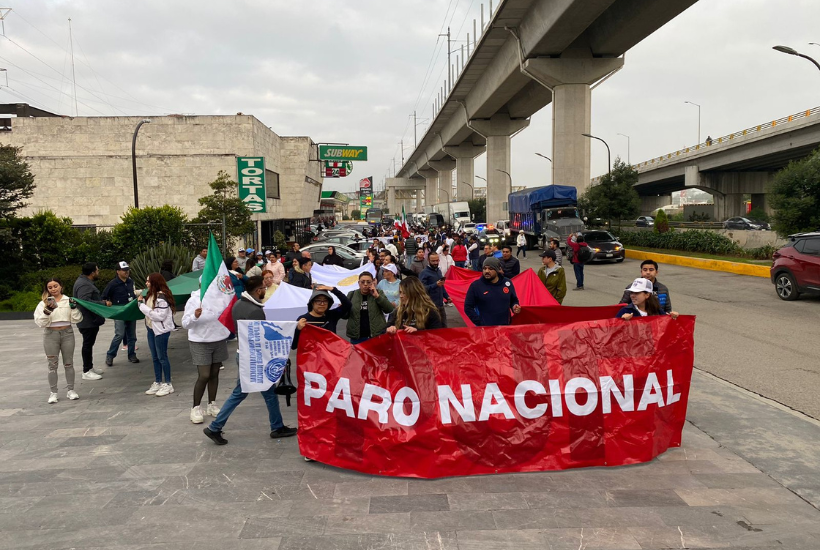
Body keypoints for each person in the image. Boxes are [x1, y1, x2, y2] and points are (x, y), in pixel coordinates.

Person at [203, 276, 298, 445]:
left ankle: (277, 426)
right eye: (263, 288)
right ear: (258, 290)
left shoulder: (238, 305)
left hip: (245, 354)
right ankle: (215, 426)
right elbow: (263, 338)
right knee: (241, 393)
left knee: (267, 393)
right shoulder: (256, 310)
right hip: (255, 358)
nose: (265, 291)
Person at [181, 276, 230, 424]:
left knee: (215, 373)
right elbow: (185, 323)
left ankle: (212, 404)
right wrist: (194, 316)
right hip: (200, 341)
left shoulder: (221, 298)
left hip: (218, 338)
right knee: (204, 375)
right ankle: (196, 407)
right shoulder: (194, 300)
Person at [34, 278, 83, 403]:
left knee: (69, 363)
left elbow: (77, 319)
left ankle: (71, 390)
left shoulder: (68, 300)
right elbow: (40, 322)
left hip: (67, 332)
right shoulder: (43, 303)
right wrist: (48, 311)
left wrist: (73, 308)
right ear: (47, 289)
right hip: (50, 334)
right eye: (50, 287)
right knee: (52, 365)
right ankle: (53, 392)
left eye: (55, 286)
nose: (53, 289)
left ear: (61, 286)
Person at [137, 273, 176, 397]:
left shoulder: (161, 298)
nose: (146, 283)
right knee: (155, 357)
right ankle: (158, 381)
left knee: (162, 357)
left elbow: (159, 316)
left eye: (148, 281)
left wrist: (141, 306)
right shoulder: (150, 295)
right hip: (151, 329)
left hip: (161, 331)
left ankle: (168, 383)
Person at [73, 263, 109, 381]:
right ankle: (86, 370)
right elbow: (85, 301)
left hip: (90, 320)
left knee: (89, 344)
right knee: (87, 345)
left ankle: (90, 367)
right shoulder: (84, 284)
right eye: (97, 270)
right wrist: (103, 304)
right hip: (87, 320)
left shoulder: (83, 282)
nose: (98, 273)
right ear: (92, 272)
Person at [464, 257, 521, 326]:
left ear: (497, 270)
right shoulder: (476, 286)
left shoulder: (507, 283)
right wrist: (479, 322)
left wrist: (515, 306)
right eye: (484, 268)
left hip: (505, 327)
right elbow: (468, 307)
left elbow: (513, 300)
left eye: (490, 269)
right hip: (486, 329)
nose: (487, 271)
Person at [292, 285, 352, 349]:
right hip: (311, 357)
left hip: (331, 355)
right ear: (312, 302)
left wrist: (332, 289)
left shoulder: (332, 315)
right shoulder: (303, 319)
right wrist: (298, 329)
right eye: (318, 301)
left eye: (325, 301)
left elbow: (348, 304)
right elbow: (293, 346)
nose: (322, 304)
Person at [102, 261, 139, 366]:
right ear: (118, 271)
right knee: (120, 334)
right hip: (119, 310)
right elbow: (104, 296)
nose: (126, 272)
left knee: (132, 335)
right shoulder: (113, 284)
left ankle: (131, 354)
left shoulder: (130, 281)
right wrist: (107, 302)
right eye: (124, 270)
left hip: (130, 309)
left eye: (127, 270)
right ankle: (110, 355)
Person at [343, 271, 395, 344]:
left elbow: (389, 309)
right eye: (362, 282)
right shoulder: (352, 294)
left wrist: (377, 296)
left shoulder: (378, 293)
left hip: (376, 336)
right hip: (357, 338)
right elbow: (345, 316)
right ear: (358, 283)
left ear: (372, 283)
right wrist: (343, 308)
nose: (365, 284)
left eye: (368, 282)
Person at [418, 252, 447, 328]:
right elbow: (421, 289)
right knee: (434, 329)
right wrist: (435, 285)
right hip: (430, 307)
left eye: (437, 260)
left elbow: (441, 286)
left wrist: (447, 297)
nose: (435, 263)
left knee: (444, 328)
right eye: (433, 261)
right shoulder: (424, 273)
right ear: (428, 260)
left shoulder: (438, 271)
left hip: (440, 305)